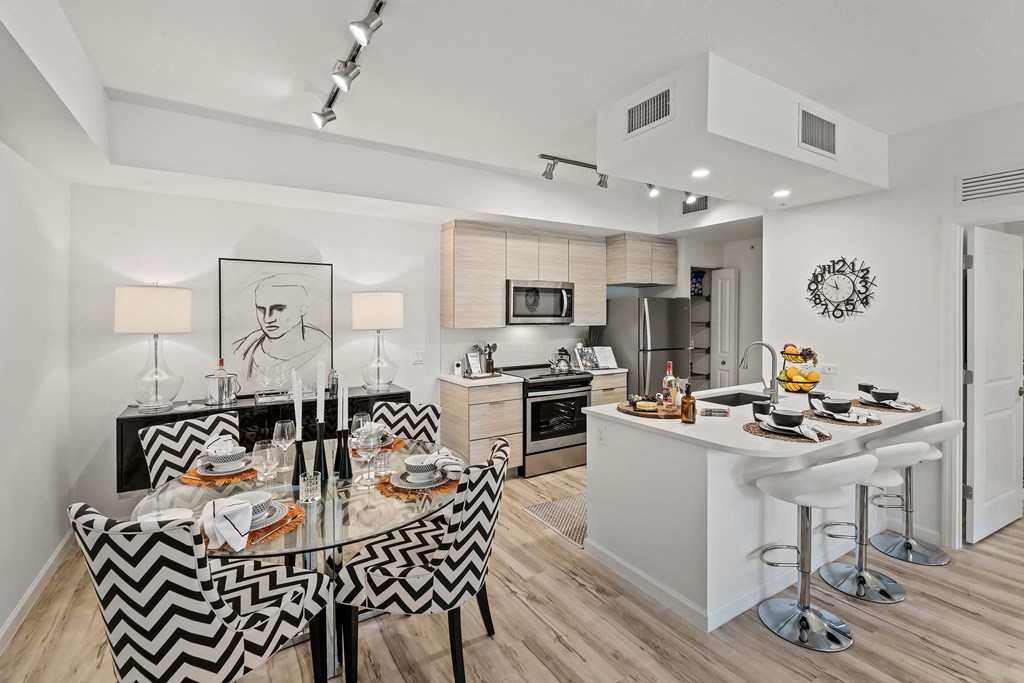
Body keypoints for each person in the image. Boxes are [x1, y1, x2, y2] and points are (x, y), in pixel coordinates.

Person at [231, 274, 331, 384]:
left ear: (302, 309)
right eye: (261, 309)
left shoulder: (324, 349)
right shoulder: (242, 350)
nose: (267, 319)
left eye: (278, 309)